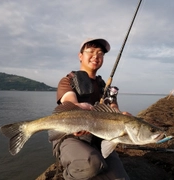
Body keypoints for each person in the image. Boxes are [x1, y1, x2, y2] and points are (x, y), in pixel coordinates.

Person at [54, 38, 130, 180]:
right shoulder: (68, 81)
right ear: (80, 56)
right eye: (91, 51)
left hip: (99, 137)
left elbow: (114, 109)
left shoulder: (105, 88)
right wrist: (78, 107)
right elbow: (69, 101)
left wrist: (123, 118)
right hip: (69, 135)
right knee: (91, 164)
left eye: (100, 53)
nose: (96, 56)